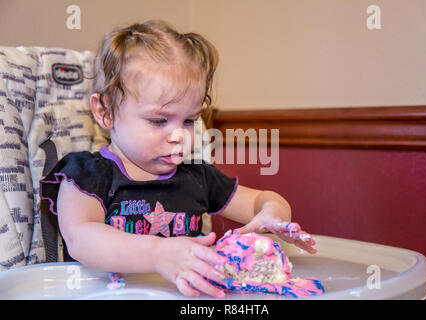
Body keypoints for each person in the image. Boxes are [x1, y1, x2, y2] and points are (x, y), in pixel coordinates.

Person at [40, 20, 316, 299]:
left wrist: (273, 214)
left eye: (189, 120)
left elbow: (262, 200)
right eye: (159, 120)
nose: (178, 136)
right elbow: (80, 238)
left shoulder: (197, 177)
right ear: (105, 112)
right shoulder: (86, 175)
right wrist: (159, 255)